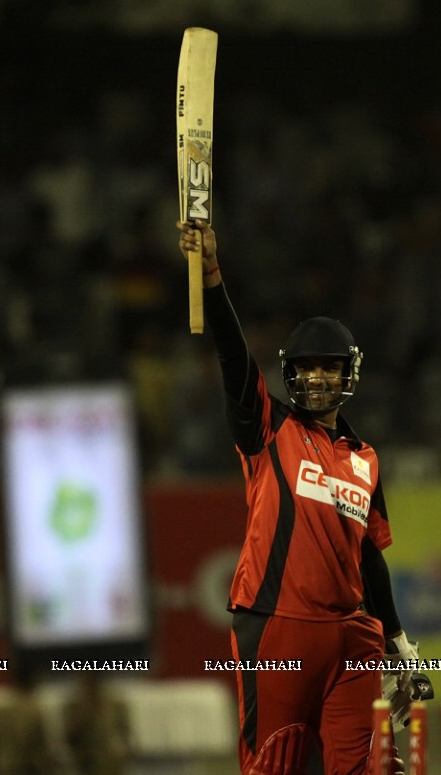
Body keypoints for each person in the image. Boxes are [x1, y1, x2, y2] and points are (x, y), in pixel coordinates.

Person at [177, 219, 419, 775]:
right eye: (304, 368)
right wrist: (212, 275)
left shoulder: (366, 458)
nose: (314, 378)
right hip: (277, 623)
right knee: (274, 764)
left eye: (327, 368)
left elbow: (367, 554)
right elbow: (234, 361)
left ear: (348, 375)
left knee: (361, 768)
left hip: (354, 635)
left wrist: (399, 642)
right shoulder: (268, 428)